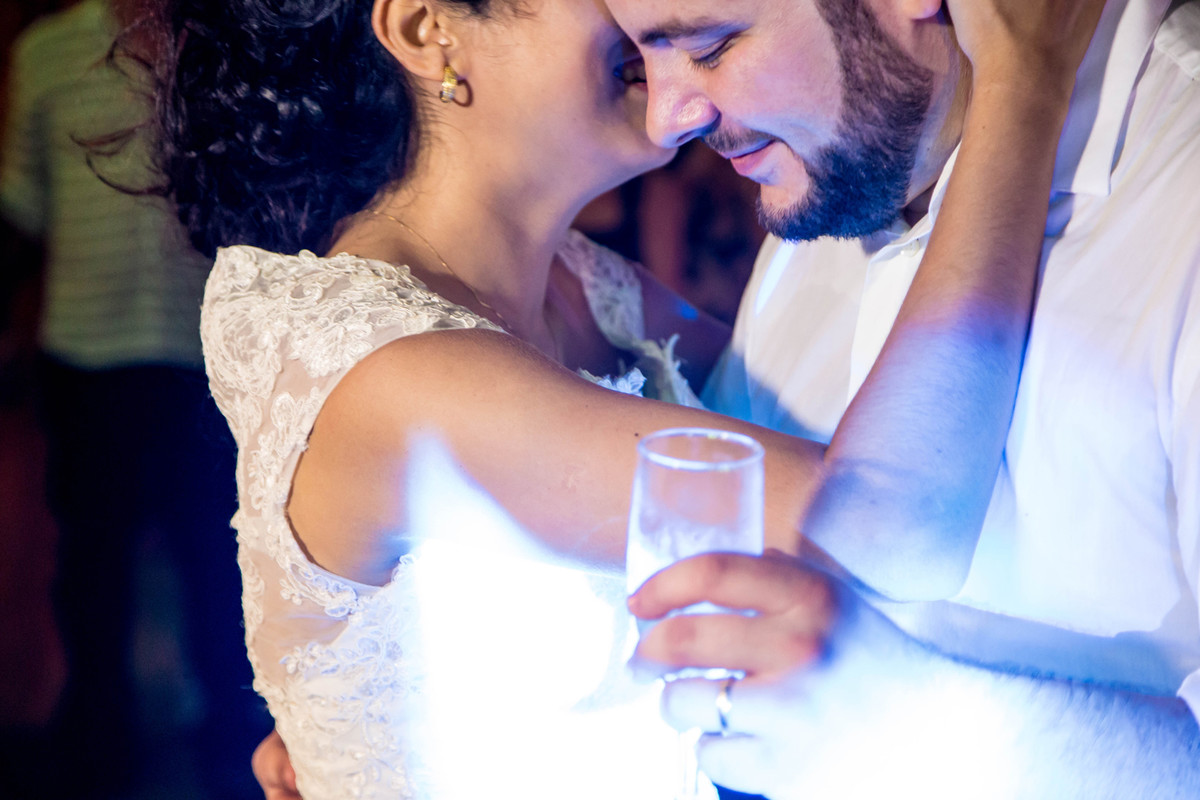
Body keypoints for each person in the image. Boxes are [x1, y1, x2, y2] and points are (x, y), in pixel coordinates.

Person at [157, 0, 1082, 795]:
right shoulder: (385, 373)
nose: (653, 35)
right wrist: (1026, 82)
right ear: (428, 26)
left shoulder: (590, 288)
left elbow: (870, 416)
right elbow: (884, 522)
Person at [602, 0, 1200, 793]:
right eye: (644, 60)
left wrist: (918, 717)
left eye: (712, 46)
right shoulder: (827, 197)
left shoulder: (1179, 178)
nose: (666, 121)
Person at [0, 0, 271, 796]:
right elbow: (19, 207)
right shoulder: (47, 52)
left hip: (209, 363)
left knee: (222, 572)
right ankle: (98, 763)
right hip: (86, 356)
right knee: (93, 578)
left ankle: (239, 761)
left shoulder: (229, 37)